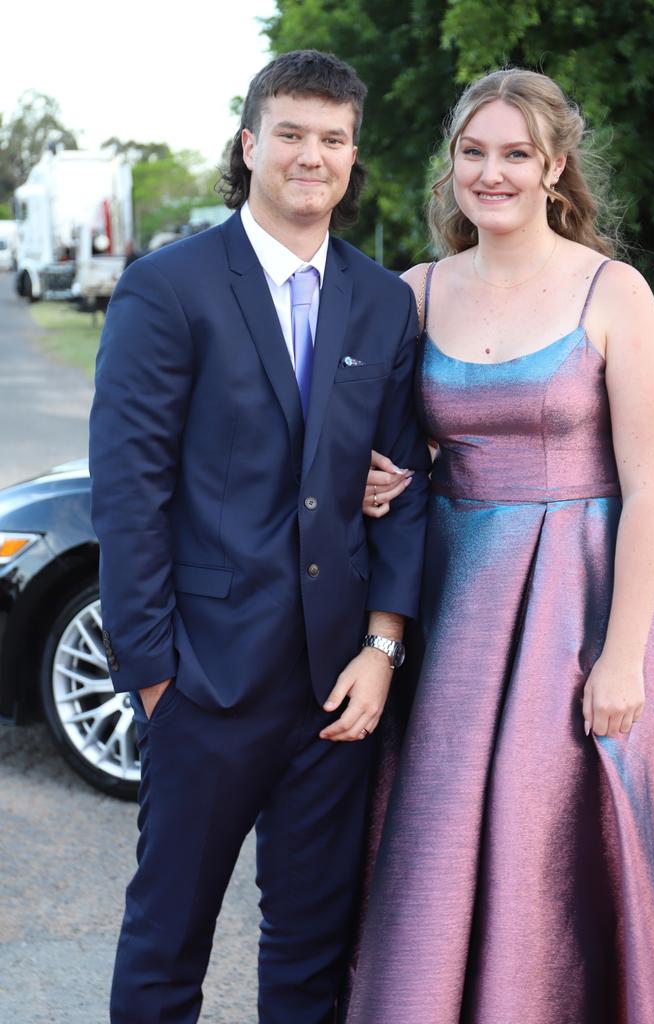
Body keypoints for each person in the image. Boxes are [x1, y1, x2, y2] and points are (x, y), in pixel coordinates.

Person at [347, 68, 654, 1024]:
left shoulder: (613, 290)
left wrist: (623, 655)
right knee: (438, 836)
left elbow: (650, 487)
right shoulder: (415, 290)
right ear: (451, 165)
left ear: (554, 167)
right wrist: (386, 476)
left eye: (515, 154)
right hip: (455, 608)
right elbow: (397, 445)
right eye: (474, 152)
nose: (492, 172)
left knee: (553, 847)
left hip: (582, 607)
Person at [89, 49, 430, 1024]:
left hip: (337, 690)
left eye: (332, 139)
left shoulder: (381, 300)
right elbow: (129, 495)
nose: (311, 155)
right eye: (291, 133)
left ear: (354, 155)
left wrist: (381, 646)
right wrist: (156, 676)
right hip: (205, 683)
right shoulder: (169, 289)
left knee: (312, 958)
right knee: (165, 948)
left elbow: (401, 485)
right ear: (250, 145)